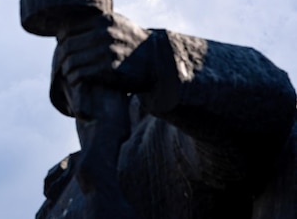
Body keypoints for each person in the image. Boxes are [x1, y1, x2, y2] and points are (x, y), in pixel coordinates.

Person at [38, 13, 297, 219]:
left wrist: (155, 57)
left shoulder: (151, 139)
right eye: (70, 86)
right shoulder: (61, 197)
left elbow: (270, 104)